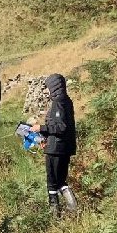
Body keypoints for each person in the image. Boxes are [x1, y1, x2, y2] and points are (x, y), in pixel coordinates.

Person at [32, 74, 77, 215]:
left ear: (54, 86)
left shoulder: (59, 102)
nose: (47, 91)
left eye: (48, 87)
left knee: (53, 182)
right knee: (61, 181)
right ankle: (72, 209)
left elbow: (61, 127)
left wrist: (41, 128)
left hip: (56, 149)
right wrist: (45, 137)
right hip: (61, 147)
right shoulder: (66, 101)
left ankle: (55, 213)